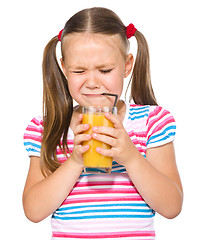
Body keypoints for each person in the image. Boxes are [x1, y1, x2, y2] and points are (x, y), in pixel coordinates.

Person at [23, 7, 183, 239]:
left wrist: (130, 156)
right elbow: (33, 211)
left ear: (127, 65)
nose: (92, 82)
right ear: (64, 68)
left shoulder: (151, 122)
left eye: (105, 70)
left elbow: (172, 207)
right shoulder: (47, 128)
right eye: (79, 71)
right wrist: (76, 161)